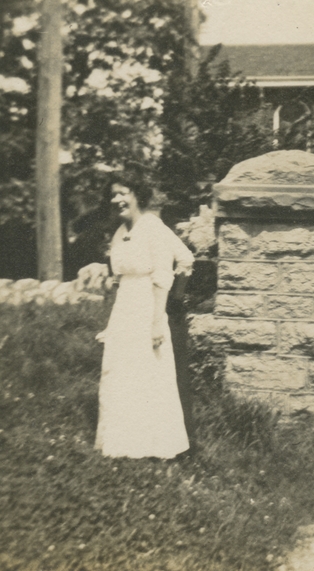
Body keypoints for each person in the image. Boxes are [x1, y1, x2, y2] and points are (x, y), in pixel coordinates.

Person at [94, 170, 194, 459]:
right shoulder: (120, 232)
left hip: (148, 306)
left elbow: (163, 276)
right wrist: (111, 324)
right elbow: (118, 280)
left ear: (137, 194)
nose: (117, 199)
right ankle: (123, 443)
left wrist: (156, 322)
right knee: (121, 373)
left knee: (148, 375)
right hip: (124, 309)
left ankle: (153, 444)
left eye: (123, 192)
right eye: (113, 194)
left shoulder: (152, 227)